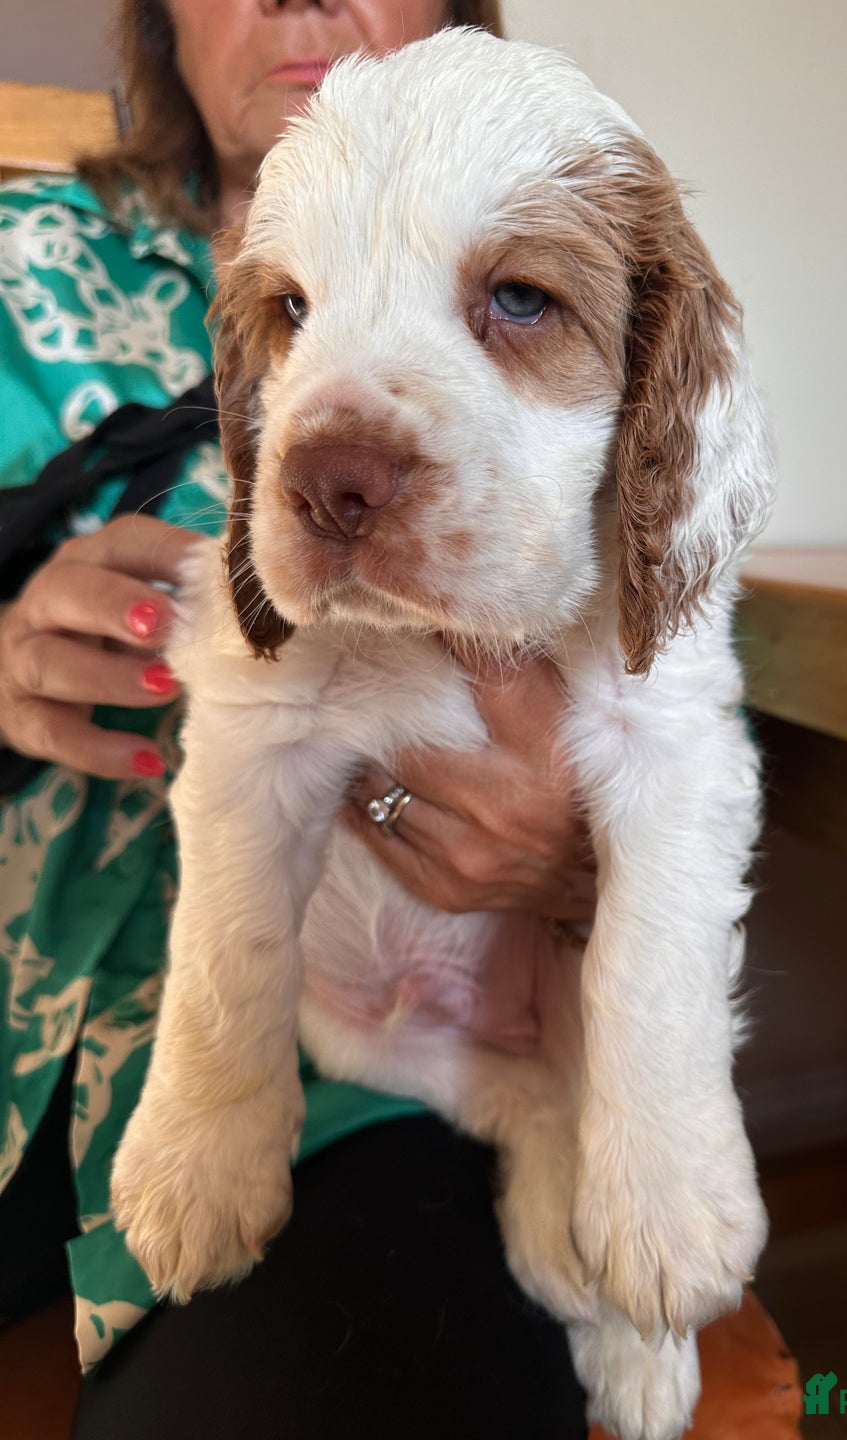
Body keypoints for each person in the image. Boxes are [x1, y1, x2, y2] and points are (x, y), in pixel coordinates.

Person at [0, 3, 595, 1434]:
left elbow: (669, 681)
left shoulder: (569, 270)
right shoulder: (20, 262)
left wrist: (583, 860)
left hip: (371, 1066)